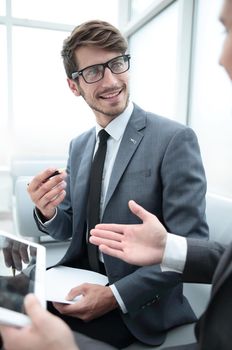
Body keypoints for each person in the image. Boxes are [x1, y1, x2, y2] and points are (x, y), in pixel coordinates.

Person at [26, 18, 208, 349]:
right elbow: (68, 228)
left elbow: (190, 248)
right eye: (94, 71)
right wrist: (48, 211)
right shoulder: (79, 145)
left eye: (117, 63)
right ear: (73, 85)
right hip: (76, 278)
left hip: (136, 303)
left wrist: (114, 296)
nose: (111, 80)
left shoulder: (174, 140)